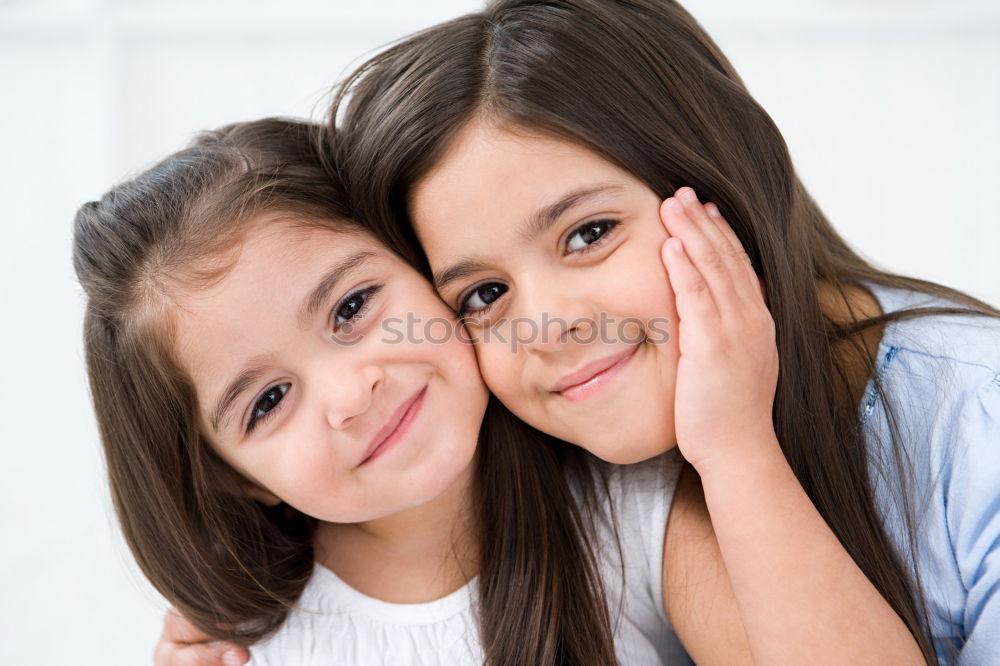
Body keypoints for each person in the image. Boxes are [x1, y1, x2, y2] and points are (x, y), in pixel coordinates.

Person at [325, 0, 1000, 663]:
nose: (547, 327)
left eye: (589, 233)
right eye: (485, 294)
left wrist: (738, 450)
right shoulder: (544, 468)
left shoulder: (976, 417)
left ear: (725, 180)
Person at [76, 117, 753, 665]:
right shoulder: (250, 645)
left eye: (352, 308)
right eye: (269, 401)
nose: (351, 394)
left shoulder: (635, 512)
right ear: (234, 477)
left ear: (427, 263)